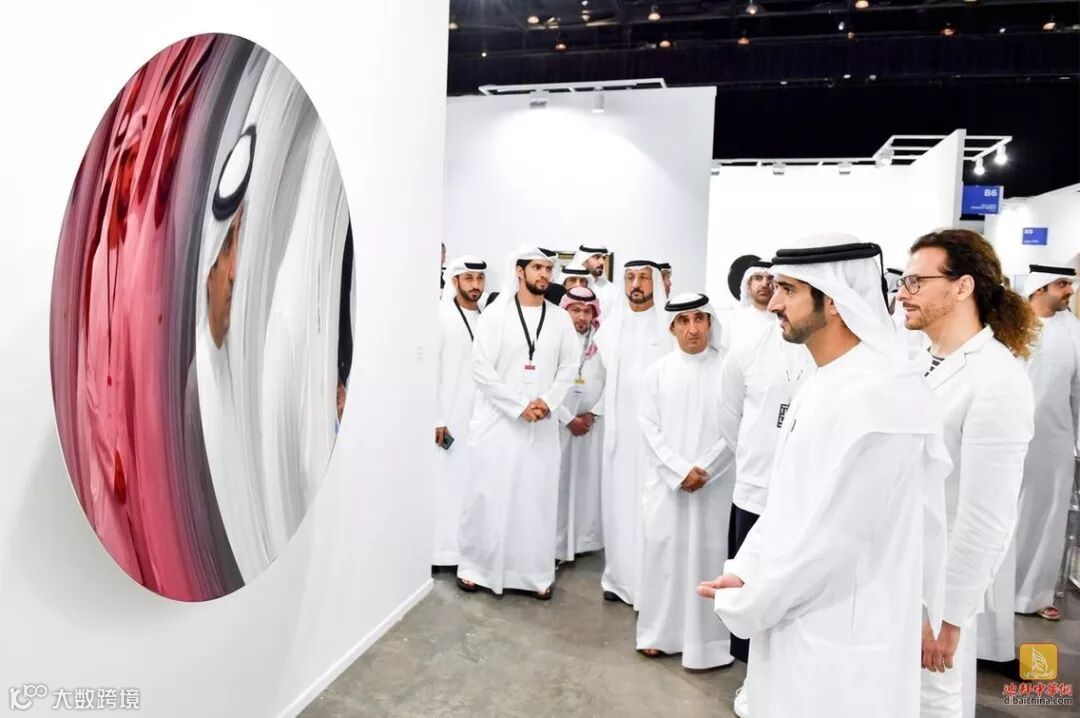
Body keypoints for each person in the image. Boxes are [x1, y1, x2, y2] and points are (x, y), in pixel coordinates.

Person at [698, 237, 952, 718]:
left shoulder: (880, 398)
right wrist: (747, 569)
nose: (773, 302)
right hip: (795, 614)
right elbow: (786, 504)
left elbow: (835, 541)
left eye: (788, 290)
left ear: (834, 300)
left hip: (844, 636)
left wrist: (751, 601)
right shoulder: (827, 380)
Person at [896, 229, 1036, 718]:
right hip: (898, 575)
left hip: (935, 593)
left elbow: (987, 517)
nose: (903, 293)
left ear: (962, 286)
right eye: (904, 281)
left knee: (931, 703)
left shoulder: (996, 380)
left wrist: (950, 615)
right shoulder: (921, 362)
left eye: (916, 281)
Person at [456, 246, 579, 599]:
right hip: (498, 424)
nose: (544, 275)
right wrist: (518, 406)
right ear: (520, 272)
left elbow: (570, 366)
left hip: (541, 426)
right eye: (537, 268)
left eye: (548, 269)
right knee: (488, 495)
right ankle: (476, 568)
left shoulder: (560, 319)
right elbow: (481, 369)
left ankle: (534, 575)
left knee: (535, 499)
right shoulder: (495, 316)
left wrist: (548, 401)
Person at [718, 289, 814, 716]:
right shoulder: (748, 349)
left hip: (806, 498)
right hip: (755, 491)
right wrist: (756, 461)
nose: (776, 302)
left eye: (789, 291)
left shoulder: (828, 351)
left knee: (791, 597)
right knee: (749, 587)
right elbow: (728, 416)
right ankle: (751, 679)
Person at [635, 293, 736, 670]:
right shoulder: (657, 372)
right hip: (668, 486)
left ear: (710, 323)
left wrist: (704, 469)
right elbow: (649, 429)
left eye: (699, 319)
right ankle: (659, 634)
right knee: (664, 555)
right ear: (672, 327)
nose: (693, 329)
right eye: (684, 321)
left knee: (710, 557)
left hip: (715, 486)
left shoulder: (728, 370)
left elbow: (735, 428)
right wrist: (680, 471)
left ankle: (709, 643)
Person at [593, 260, 671, 606]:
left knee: (650, 507)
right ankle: (617, 577)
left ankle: (647, 585)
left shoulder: (669, 327)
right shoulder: (612, 327)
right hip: (620, 437)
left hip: (656, 438)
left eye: (642, 277)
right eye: (629, 277)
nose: (636, 284)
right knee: (619, 504)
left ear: (655, 283)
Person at [1014, 264, 1079, 621]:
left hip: (1053, 443)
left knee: (1047, 517)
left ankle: (1034, 594)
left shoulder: (1074, 333)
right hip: (1004, 439)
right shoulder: (1008, 324)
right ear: (1039, 288)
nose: (1069, 290)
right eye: (1062, 284)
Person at [432, 256, 487, 568]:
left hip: (477, 419)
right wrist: (437, 418)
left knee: (470, 484)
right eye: (469, 278)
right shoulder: (441, 317)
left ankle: (463, 550)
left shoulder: (484, 318)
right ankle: (441, 553)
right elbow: (433, 372)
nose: (475, 285)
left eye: (479, 278)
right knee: (446, 484)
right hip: (449, 418)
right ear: (455, 281)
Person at [555, 287, 607, 563]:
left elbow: (613, 380)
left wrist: (592, 414)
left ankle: (583, 540)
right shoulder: (553, 338)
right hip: (558, 425)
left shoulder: (603, 341)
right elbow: (545, 384)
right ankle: (557, 544)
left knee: (586, 483)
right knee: (560, 484)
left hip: (590, 427)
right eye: (575, 310)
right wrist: (568, 418)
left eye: (587, 311)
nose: (582, 317)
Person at [719, 260, 775, 351]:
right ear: (748, 284)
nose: (764, 284)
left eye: (770, 278)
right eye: (758, 278)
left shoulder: (785, 319)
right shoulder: (732, 320)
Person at [573, 244, 616, 310]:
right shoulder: (569, 287)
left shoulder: (612, 290)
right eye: (597, 257)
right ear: (584, 260)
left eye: (604, 258)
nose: (602, 262)